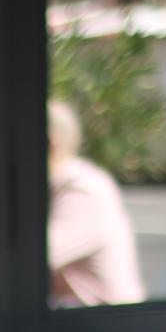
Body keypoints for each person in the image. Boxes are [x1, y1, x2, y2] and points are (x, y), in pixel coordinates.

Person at [47, 99, 147, 306]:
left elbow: (25, 263)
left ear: (51, 143)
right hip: (77, 322)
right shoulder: (60, 187)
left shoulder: (81, 190)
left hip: (109, 328)